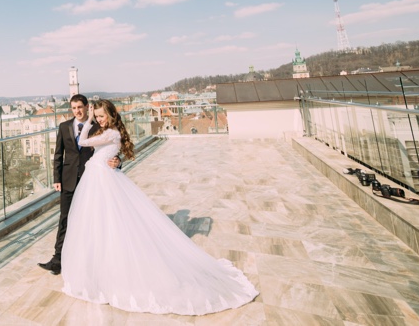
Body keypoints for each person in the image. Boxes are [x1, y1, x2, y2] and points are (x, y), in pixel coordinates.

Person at [61, 99, 258, 315]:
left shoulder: (111, 133)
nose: (98, 119)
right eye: (96, 116)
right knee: (98, 226)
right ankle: (98, 271)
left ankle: (111, 272)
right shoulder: (108, 131)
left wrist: (88, 121)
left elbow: (83, 140)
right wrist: (96, 126)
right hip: (98, 181)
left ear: (110, 115)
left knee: (110, 224)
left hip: (102, 182)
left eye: (101, 116)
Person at [38, 94, 119, 276]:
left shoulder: (99, 126)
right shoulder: (64, 127)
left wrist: (117, 160)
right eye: (74, 108)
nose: (77, 111)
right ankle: (58, 259)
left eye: (80, 107)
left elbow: (112, 149)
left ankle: (88, 260)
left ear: (86, 107)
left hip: (92, 181)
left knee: (91, 220)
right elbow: (59, 154)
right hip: (68, 180)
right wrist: (57, 179)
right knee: (65, 219)